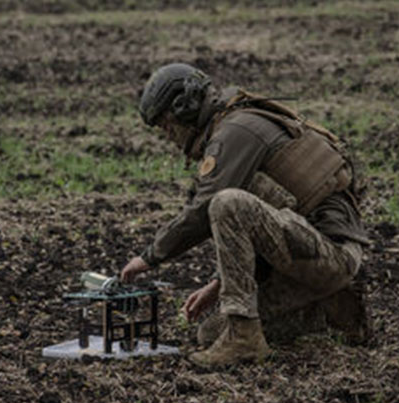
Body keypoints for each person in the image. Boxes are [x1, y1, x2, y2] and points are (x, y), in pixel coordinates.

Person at [120, 63, 372, 367]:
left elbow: (205, 207)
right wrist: (217, 284)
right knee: (209, 333)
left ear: (184, 108)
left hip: (331, 254)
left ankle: (244, 339)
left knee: (226, 203)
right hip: (307, 253)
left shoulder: (235, 130)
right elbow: (269, 223)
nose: (170, 138)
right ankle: (331, 310)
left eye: (167, 126)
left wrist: (149, 257)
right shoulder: (233, 126)